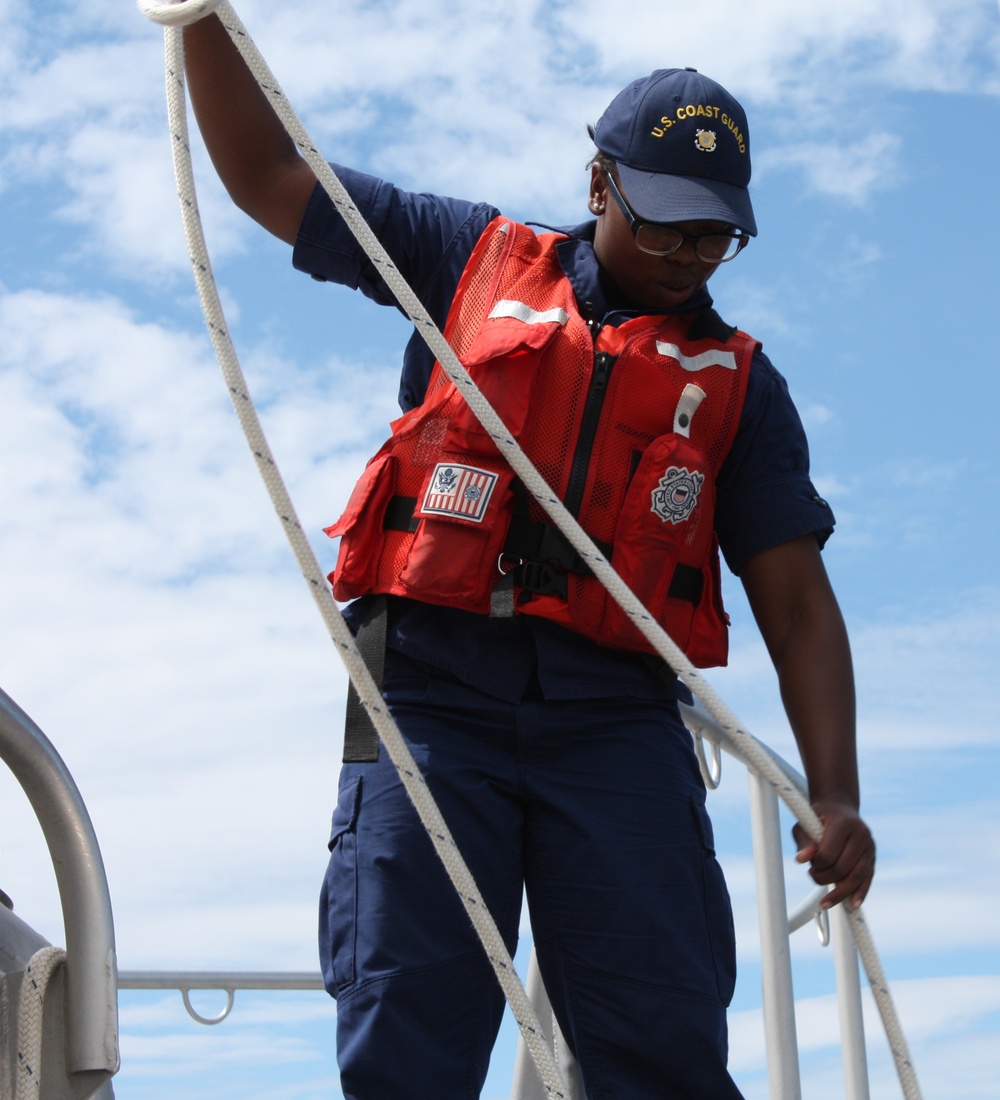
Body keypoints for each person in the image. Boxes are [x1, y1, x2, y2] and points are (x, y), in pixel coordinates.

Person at [181, 14, 876, 1099]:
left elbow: (794, 603)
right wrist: (197, 21)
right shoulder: (460, 255)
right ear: (600, 185)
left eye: (712, 236)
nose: (686, 256)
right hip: (427, 697)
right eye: (665, 225)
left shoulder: (740, 388)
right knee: (406, 1027)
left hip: (614, 721)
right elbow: (268, 173)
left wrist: (835, 791)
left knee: (662, 1036)